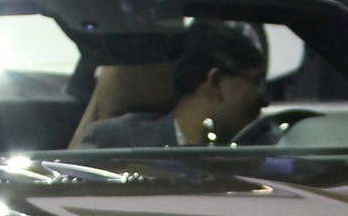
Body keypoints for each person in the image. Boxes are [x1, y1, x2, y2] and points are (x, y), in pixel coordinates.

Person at [79, 21, 268, 148]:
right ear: (215, 81)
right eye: (256, 81)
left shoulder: (254, 155)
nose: (264, 99)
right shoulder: (114, 142)